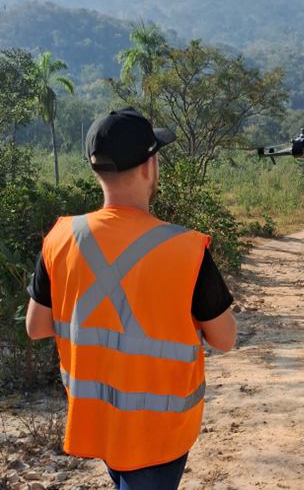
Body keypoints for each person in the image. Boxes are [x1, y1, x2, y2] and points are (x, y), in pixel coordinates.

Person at [26, 106, 237, 490]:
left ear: (96, 170)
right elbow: (225, 338)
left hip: (99, 423)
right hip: (159, 435)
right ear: (149, 166)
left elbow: (37, 326)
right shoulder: (187, 249)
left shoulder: (59, 238)